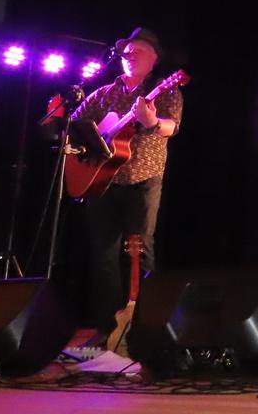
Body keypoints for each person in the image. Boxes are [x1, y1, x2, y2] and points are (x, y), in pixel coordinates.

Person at [72, 27, 183, 346]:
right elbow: (77, 126)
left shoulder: (166, 91)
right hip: (103, 182)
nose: (130, 56)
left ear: (154, 59)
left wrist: (150, 122)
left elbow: (171, 127)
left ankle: (144, 329)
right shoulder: (104, 93)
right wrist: (84, 150)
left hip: (143, 178)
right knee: (102, 256)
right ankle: (106, 330)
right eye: (127, 52)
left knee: (140, 251)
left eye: (139, 51)